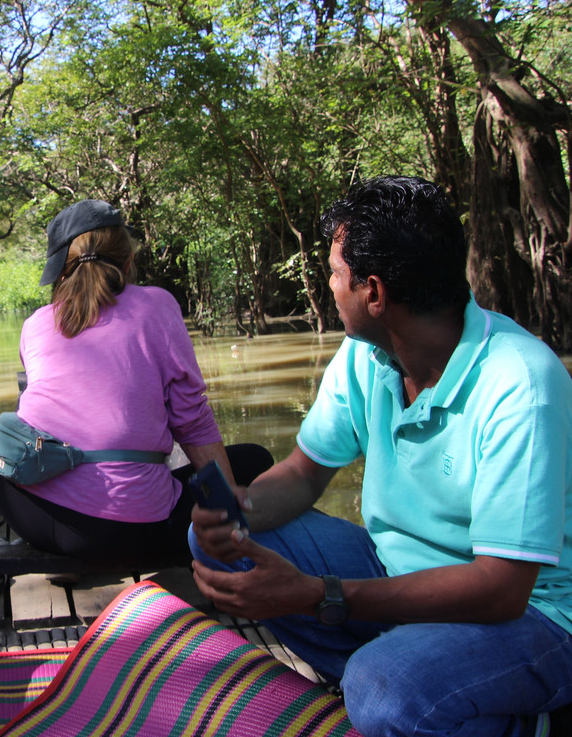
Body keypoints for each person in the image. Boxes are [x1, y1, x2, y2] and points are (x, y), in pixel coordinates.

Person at [189, 176, 572, 737]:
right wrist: (239, 509)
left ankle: (507, 717)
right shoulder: (366, 355)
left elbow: (501, 587)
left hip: (530, 615)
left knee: (383, 687)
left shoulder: (520, 382)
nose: (328, 286)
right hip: (394, 577)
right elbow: (302, 473)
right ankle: (406, 681)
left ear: (374, 293)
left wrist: (324, 596)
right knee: (215, 543)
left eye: (334, 274)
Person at [0, 199, 271, 561]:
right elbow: (190, 419)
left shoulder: (34, 324)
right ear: (127, 260)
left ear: (59, 271)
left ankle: (61, 557)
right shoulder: (157, 306)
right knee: (254, 459)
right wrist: (227, 500)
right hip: (130, 531)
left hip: (33, 516)